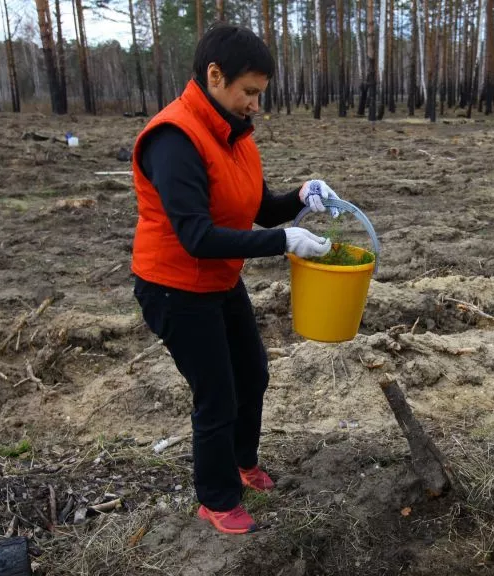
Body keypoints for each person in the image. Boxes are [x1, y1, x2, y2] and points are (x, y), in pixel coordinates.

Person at [131, 24, 341, 534]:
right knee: (217, 395)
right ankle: (217, 498)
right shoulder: (174, 138)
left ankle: (243, 462)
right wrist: (283, 241)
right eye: (248, 91)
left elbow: (260, 209)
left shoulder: (234, 134)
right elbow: (196, 236)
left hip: (219, 280)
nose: (255, 105)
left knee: (252, 373)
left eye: (259, 94)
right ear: (214, 75)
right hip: (174, 287)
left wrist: (301, 196)